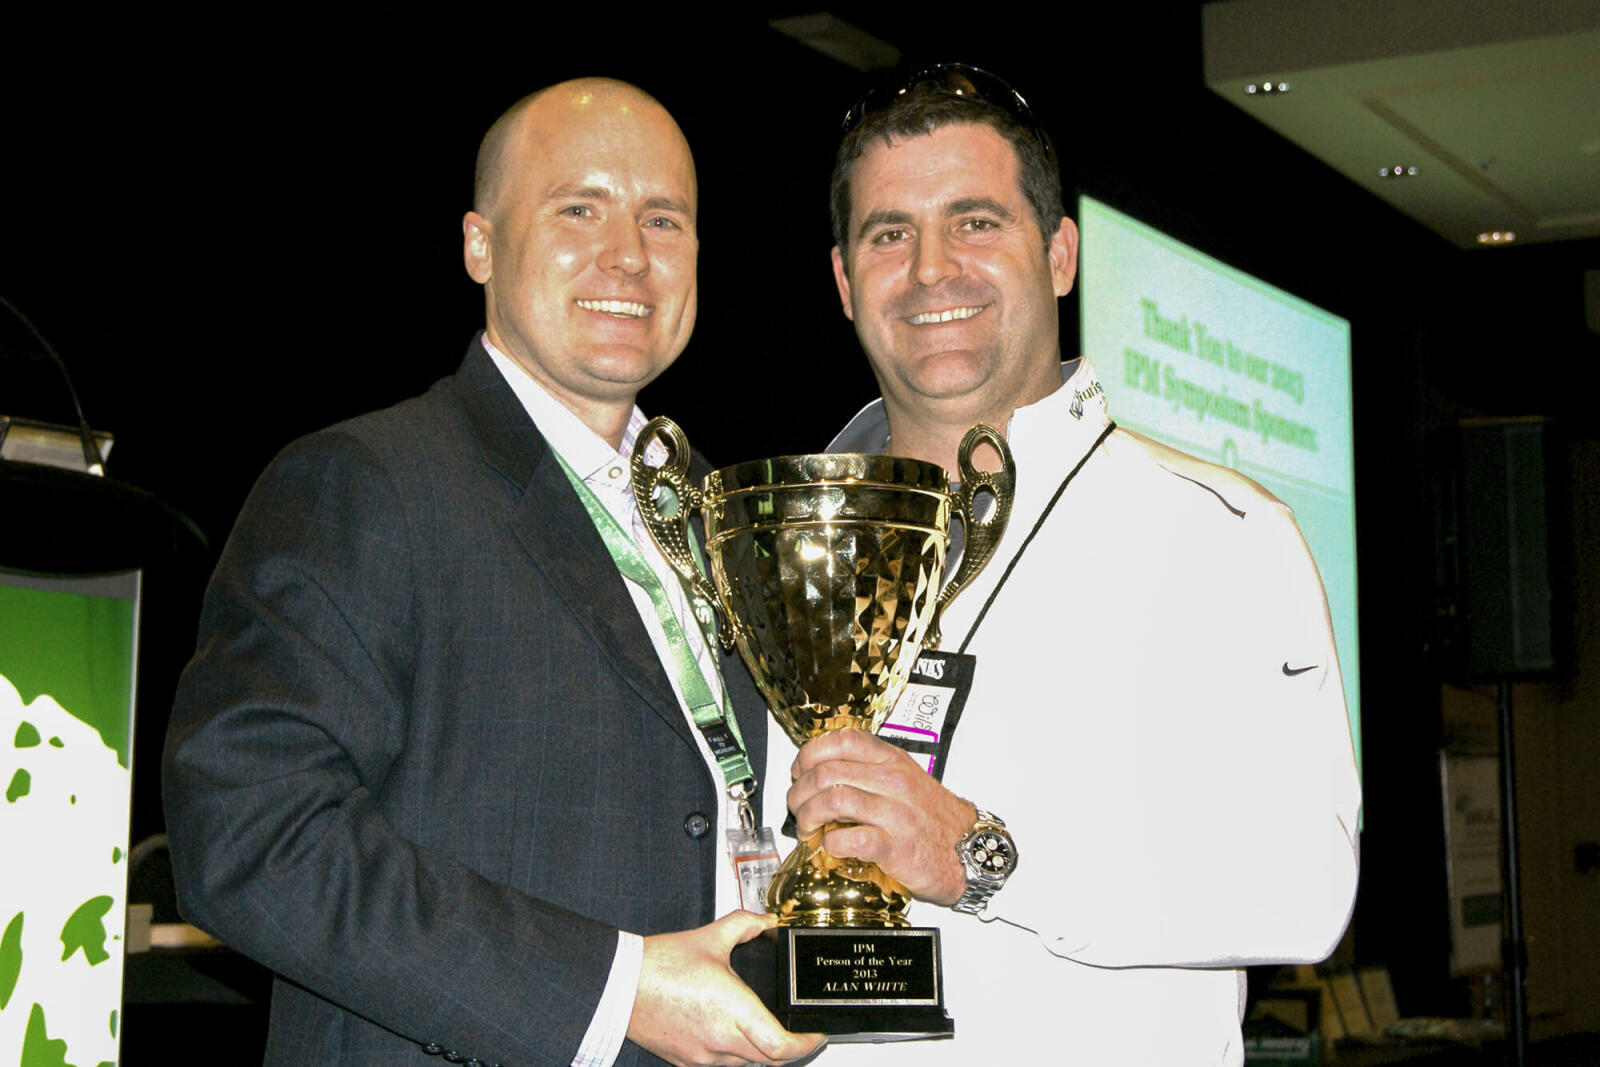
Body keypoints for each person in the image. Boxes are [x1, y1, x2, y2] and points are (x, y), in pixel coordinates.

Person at [164, 79, 823, 1067]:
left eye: (663, 218)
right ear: (478, 243)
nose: (628, 255)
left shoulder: (728, 520)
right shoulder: (367, 484)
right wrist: (615, 991)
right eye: (577, 208)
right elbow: (253, 835)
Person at [767, 64, 1361, 1064]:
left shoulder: (1220, 533)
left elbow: (1305, 887)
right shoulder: (776, 547)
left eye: (976, 222)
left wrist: (979, 856)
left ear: (1060, 253)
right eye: (888, 233)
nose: (929, 270)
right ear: (841, 280)